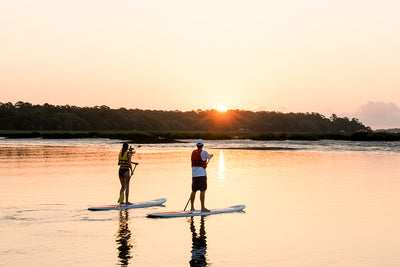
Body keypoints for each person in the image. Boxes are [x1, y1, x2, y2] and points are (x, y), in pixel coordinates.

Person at [190, 139, 213, 212]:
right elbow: (209, 156)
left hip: (194, 176)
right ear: (202, 145)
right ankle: (203, 208)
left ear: (197, 145)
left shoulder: (193, 152)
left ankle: (192, 207)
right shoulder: (204, 152)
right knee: (202, 191)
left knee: (193, 191)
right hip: (202, 175)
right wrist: (211, 155)